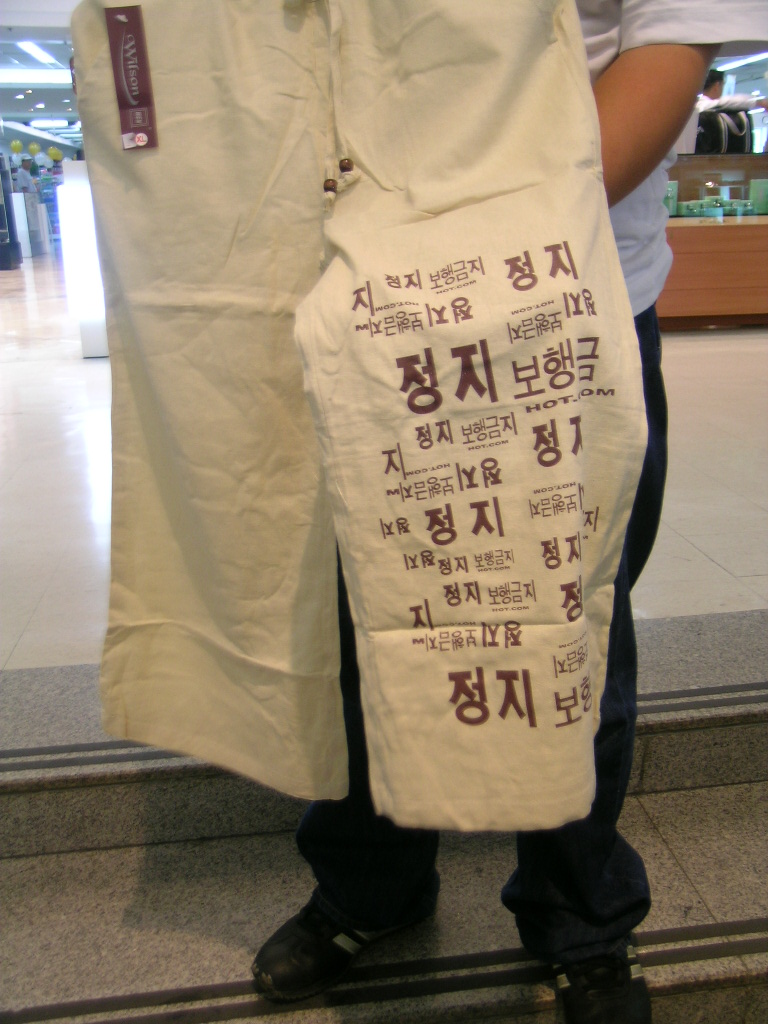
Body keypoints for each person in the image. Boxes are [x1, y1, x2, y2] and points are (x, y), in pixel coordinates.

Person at [251, 4, 768, 1024]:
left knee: (571, 630)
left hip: (562, 293)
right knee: (370, 616)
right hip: (367, 307)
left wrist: (456, 231)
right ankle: (370, 885)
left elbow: (670, 44)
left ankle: (580, 917)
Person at [694, 68, 768, 153]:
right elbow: (727, 101)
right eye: (723, 85)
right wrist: (759, 102)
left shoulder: (699, 106)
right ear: (717, 85)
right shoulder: (703, 105)